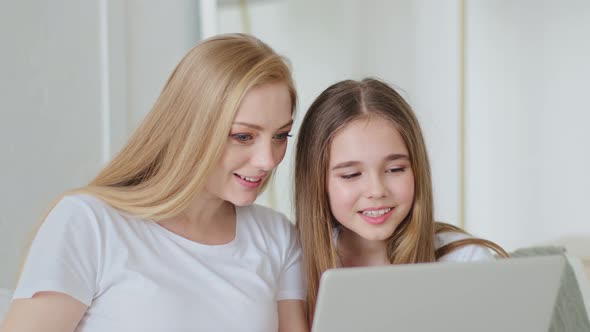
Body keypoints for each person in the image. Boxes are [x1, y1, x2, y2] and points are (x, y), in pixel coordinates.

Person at [1, 34, 307, 332]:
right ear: (190, 129)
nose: (268, 160)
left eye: (280, 136)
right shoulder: (90, 222)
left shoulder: (276, 238)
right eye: (243, 136)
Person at [294, 78, 508, 323]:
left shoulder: (465, 261)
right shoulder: (292, 266)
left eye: (395, 169)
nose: (376, 190)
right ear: (316, 182)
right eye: (351, 175)